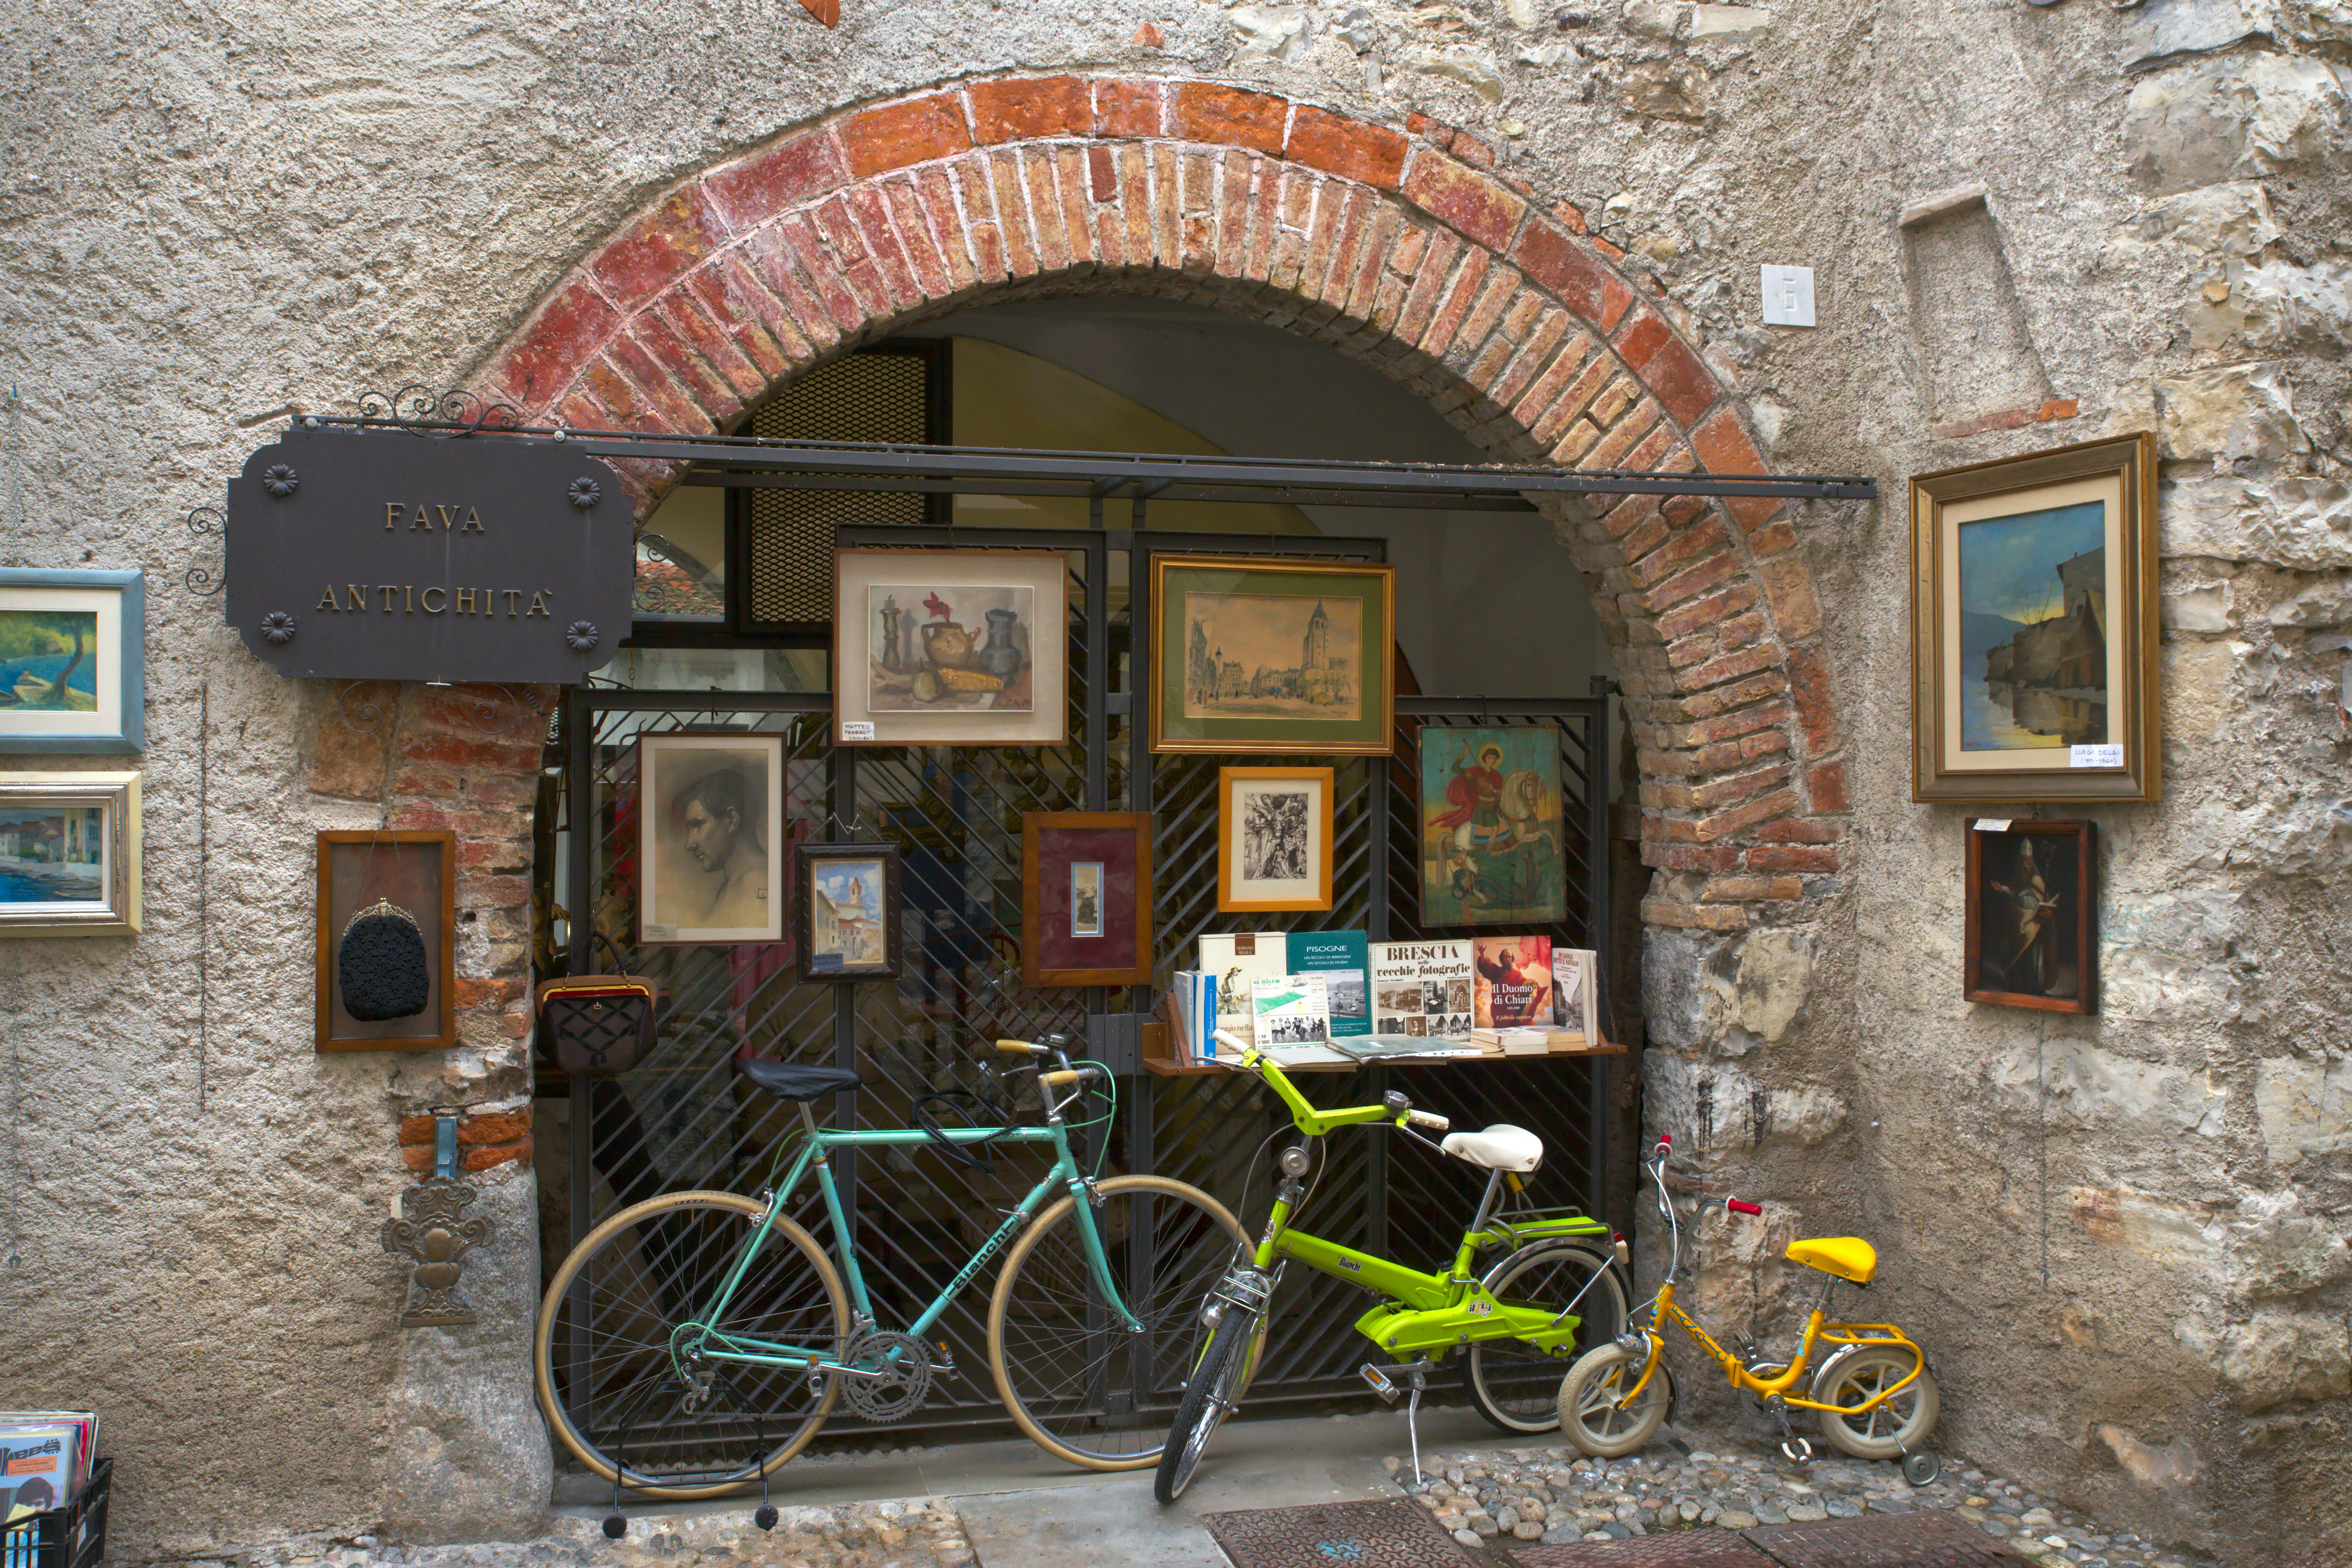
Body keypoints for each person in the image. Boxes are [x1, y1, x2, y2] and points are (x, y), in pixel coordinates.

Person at [673, 766, 767, 929]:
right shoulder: (738, 882)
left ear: (732, 820)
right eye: (690, 830)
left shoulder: (756, 882)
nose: (690, 844)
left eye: (698, 825)